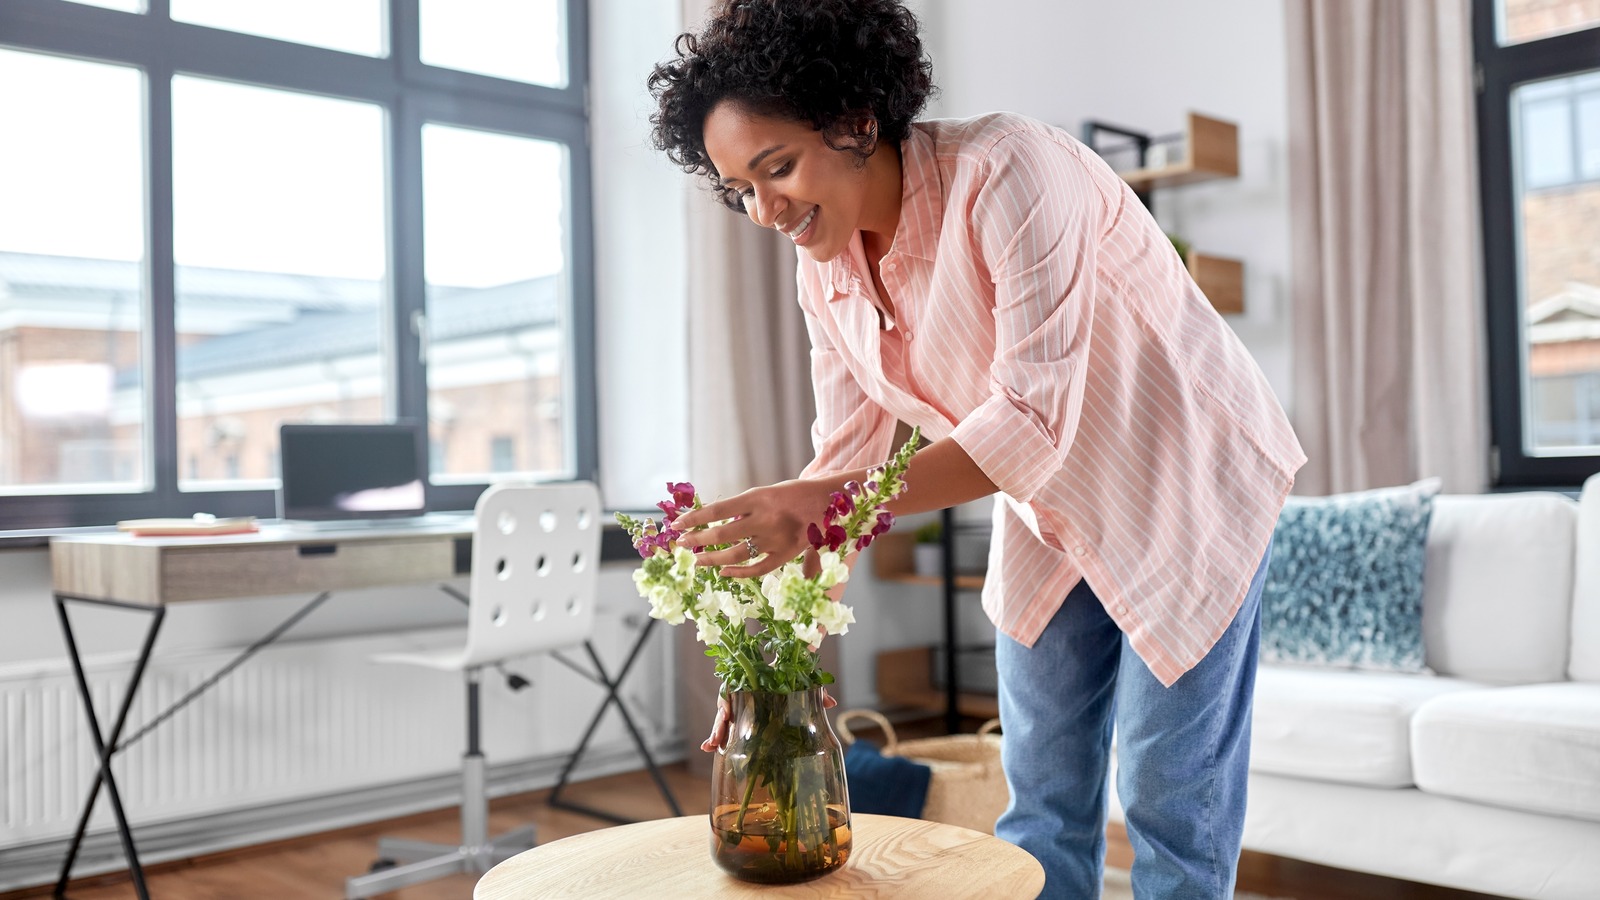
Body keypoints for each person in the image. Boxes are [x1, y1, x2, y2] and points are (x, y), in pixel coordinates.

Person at [650, 1, 1306, 896]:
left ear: (855, 119)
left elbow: (1026, 426)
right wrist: (775, 660)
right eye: (741, 190)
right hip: (1048, 512)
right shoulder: (824, 267)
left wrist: (815, 509)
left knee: (1167, 804)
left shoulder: (1009, 171)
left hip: (1186, 482)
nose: (765, 210)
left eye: (778, 168)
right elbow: (845, 455)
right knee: (1038, 803)